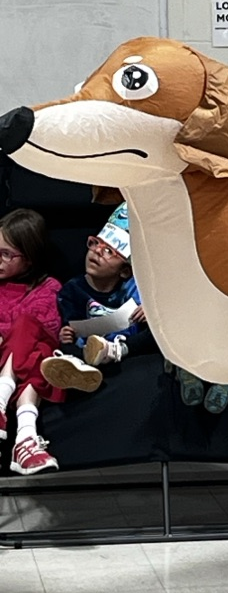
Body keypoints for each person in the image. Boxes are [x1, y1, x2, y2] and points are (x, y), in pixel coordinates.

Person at [41, 203, 157, 393]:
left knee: (156, 332)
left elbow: (152, 315)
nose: (96, 251)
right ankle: (79, 368)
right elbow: (71, 326)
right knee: (68, 345)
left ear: (125, 271)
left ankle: (110, 353)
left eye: (109, 251)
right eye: (95, 243)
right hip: (87, 345)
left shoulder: (134, 286)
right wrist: (66, 334)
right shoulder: (73, 290)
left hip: (123, 344)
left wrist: (150, 311)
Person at [0, 208, 63, 475]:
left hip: (23, 363)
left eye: (5, 254)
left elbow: (49, 327)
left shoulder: (49, 288)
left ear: (29, 259)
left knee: (38, 344)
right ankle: (25, 440)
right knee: (36, 347)